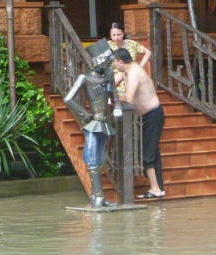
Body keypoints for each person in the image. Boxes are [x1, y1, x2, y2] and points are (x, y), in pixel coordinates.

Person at [64, 41, 122, 208]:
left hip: (104, 122)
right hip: (93, 123)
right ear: (98, 60)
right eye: (107, 60)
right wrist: (85, 115)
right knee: (93, 161)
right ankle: (97, 197)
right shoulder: (85, 78)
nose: (110, 62)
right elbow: (68, 98)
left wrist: (117, 108)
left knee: (100, 159)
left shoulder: (109, 75)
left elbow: (115, 96)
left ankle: (100, 198)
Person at [111, 47, 165, 199]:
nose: (114, 65)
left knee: (147, 153)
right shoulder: (125, 71)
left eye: (114, 63)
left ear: (121, 62)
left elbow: (128, 98)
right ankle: (159, 188)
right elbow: (111, 84)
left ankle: (155, 189)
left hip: (153, 114)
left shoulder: (134, 72)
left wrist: (113, 99)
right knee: (151, 151)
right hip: (145, 117)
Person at [108, 22, 151, 95]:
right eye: (114, 35)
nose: (116, 37)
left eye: (119, 34)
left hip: (131, 79)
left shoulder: (131, 44)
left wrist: (141, 66)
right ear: (110, 34)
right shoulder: (106, 45)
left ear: (123, 34)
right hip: (114, 80)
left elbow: (148, 52)